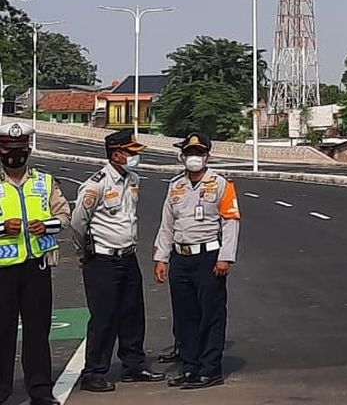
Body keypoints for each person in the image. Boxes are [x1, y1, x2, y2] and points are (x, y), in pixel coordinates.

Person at [70, 129, 166, 392]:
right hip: (102, 259)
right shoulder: (96, 184)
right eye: (131, 153)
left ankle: (134, 365)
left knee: (133, 313)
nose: (135, 157)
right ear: (116, 154)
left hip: (128, 256)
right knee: (104, 317)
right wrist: (84, 252)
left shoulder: (133, 179)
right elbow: (78, 222)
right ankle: (94, 372)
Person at [153, 133, 240, 390]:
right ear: (182, 157)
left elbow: (231, 222)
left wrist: (226, 256)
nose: (194, 158)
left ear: (207, 156)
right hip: (181, 258)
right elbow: (167, 224)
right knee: (185, 316)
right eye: (190, 153)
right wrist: (162, 257)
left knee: (211, 315)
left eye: (199, 153)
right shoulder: (175, 185)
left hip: (209, 257)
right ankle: (190, 367)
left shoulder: (221, 184)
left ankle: (210, 368)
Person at [0, 122, 70, 405]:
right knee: (2, 331)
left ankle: (40, 388)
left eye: (19, 150)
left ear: (27, 150)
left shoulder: (45, 182)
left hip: (36, 266)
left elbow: (64, 215)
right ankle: (1, 388)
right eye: (7, 150)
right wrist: (4, 228)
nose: (13, 155)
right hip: (3, 269)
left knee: (38, 330)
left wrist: (48, 225)